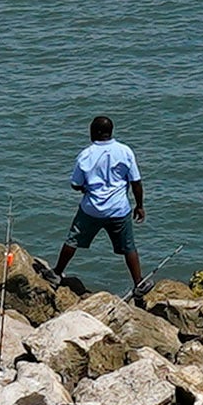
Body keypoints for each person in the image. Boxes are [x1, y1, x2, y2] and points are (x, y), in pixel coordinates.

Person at [58, 113, 150, 293]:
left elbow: (75, 184)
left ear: (95, 132)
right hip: (118, 209)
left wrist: (85, 188)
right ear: (110, 132)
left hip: (92, 209)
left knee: (73, 240)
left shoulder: (86, 155)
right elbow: (136, 182)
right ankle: (138, 282)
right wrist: (139, 206)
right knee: (129, 247)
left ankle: (57, 272)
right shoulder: (125, 151)